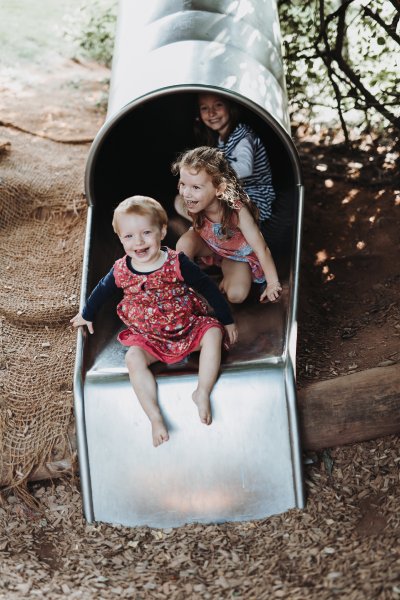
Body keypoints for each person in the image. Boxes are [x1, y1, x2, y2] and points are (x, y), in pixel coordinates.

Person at [70, 196, 238, 448]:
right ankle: (154, 416)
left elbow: (207, 287)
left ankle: (202, 391)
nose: (138, 242)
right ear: (120, 238)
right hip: (150, 338)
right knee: (133, 358)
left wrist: (226, 320)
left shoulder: (176, 262)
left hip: (187, 328)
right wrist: (87, 313)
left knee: (213, 333)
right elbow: (101, 291)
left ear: (162, 231)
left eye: (146, 233)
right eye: (129, 236)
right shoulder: (121, 270)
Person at [173, 147, 282, 305]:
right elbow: (178, 202)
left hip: (236, 256)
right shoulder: (193, 202)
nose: (186, 193)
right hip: (211, 246)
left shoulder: (237, 212)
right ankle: (187, 289)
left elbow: (261, 249)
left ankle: (227, 277)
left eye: (196, 187)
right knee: (184, 244)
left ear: (219, 189)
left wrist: (273, 283)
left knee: (236, 295)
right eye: (183, 184)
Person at [174, 92, 275, 225]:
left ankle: (220, 231)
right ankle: (214, 229)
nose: (211, 113)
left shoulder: (243, 136)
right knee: (181, 200)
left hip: (254, 197)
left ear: (230, 107)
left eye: (218, 105)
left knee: (199, 200)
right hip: (233, 193)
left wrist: (209, 173)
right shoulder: (221, 139)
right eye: (204, 108)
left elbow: (246, 168)